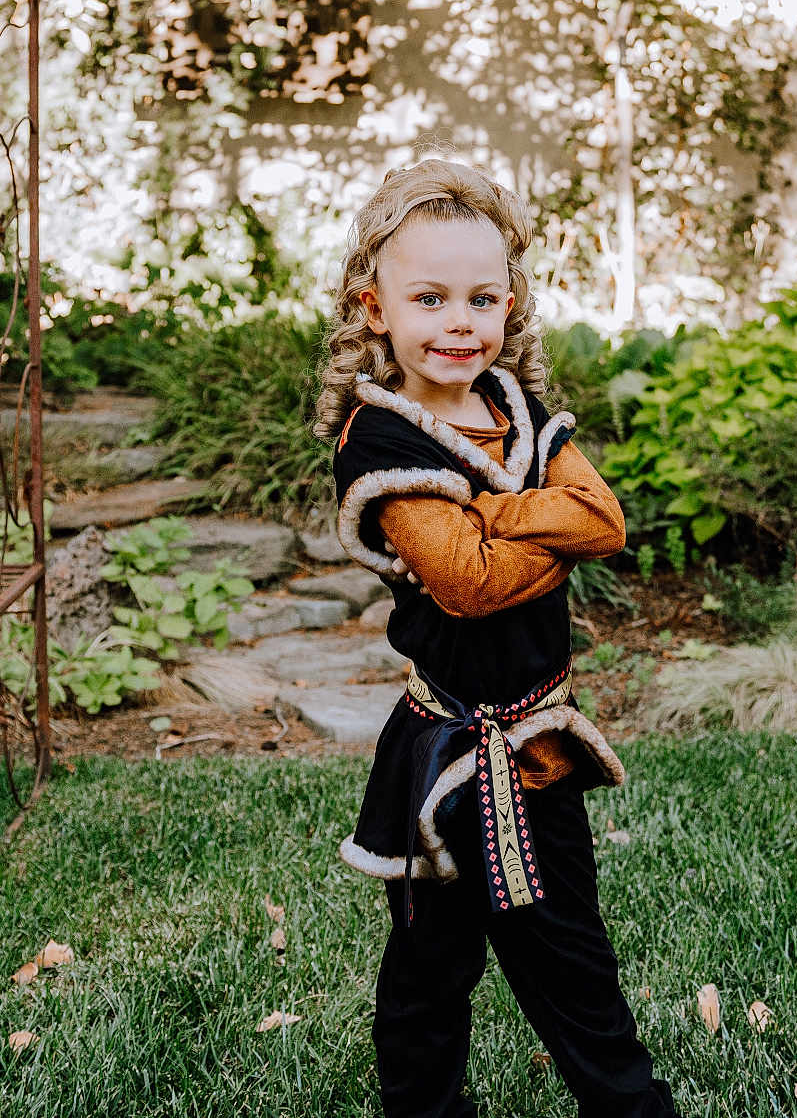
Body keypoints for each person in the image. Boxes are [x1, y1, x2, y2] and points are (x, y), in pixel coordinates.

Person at [313, 157, 680, 1118]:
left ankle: (628, 1107)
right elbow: (466, 586)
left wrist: (494, 510)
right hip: (450, 747)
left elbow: (605, 523)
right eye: (427, 298)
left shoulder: (512, 410)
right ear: (375, 307)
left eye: (481, 297)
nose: (457, 322)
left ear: (510, 305)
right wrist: (537, 510)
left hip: (537, 741)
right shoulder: (379, 436)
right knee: (433, 968)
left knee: (570, 956)